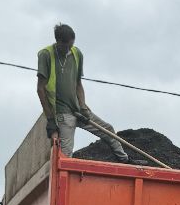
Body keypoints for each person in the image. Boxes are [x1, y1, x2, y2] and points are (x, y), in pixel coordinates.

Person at [37, 23, 129, 162]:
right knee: (66, 155)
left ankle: (125, 160)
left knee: (108, 130)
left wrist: (83, 107)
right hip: (62, 114)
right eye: (66, 46)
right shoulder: (46, 55)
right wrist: (50, 119)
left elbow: (78, 84)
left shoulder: (76, 53)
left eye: (71, 45)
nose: (69, 49)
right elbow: (40, 89)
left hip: (78, 110)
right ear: (58, 42)